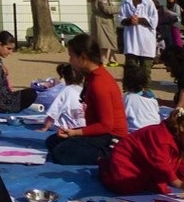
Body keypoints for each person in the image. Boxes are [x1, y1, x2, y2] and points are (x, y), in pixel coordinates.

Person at [46, 34, 127, 165]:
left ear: (82, 58)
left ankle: (109, 155)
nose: (70, 60)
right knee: (52, 142)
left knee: (61, 153)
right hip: (99, 133)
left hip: (111, 138)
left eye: (71, 56)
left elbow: (106, 125)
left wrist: (75, 132)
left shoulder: (100, 84)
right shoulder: (93, 77)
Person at [99, 108, 184, 195]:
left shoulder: (183, 143)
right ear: (183, 127)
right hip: (127, 160)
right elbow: (160, 164)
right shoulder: (161, 137)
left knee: (158, 186)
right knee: (124, 185)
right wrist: (179, 183)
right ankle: (105, 168)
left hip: (146, 165)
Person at [0, 31, 37, 113]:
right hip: (2, 102)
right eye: (8, 48)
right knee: (32, 93)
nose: (10, 52)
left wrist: (1, 66)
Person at [119, 0, 158, 80]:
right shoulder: (125, 3)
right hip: (131, 43)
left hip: (145, 43)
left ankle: (146, 92)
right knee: (130, 72)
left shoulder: (149, 3)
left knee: (145, 72)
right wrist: (130, 20)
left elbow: (154, 21)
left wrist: (140, 20)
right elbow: (121, 19)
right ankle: (129, 92)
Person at [36, 63, 85, 132]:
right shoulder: (83, 90)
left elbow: (53, 113)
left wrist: (44, 128)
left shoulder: (65, 92)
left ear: (64, 77)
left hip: (69, 128)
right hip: (85, 127)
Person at [87, 0, 119, 66]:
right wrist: (119, 9)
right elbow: (106, 9)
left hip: (97, 20)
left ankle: (112, 59)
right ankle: (104, 60)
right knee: (106, 41)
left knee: (102, 40)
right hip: (104, 21)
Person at [122, 62, 160, 132]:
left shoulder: (127, 98)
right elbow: (156, 110)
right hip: (155, 129)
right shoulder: (151, 95)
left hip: (137, 132)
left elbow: (122, 117)